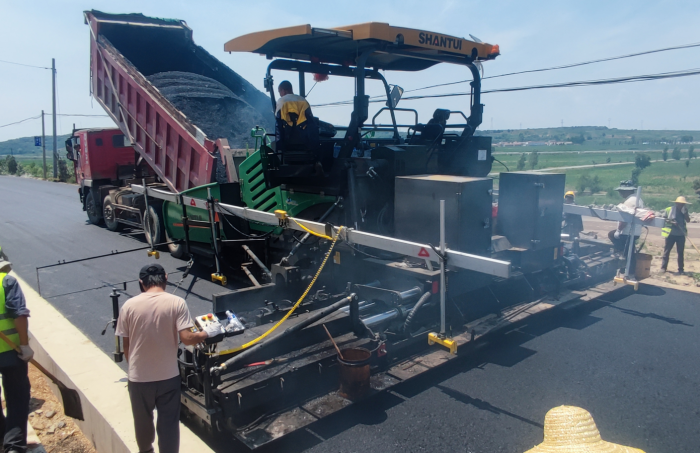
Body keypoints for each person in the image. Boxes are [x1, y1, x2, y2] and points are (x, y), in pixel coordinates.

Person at [116, 264, 218, 453]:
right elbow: (187, 338)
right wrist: (207, 333)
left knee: (142, 421)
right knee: (169, 423)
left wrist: (135, 368)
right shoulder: (177, 303)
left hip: (139, 379)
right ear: (166, 277)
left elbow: (126, 346)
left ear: (141, 282)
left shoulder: (128, 306)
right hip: (168, 377)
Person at [0, 246, 33, 453]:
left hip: (10, 351)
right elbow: (19, 315)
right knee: (17, 396)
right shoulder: (6, 282)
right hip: (11, 352)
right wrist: (24, 345)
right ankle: (13, 446)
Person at [607, 181, 644, 274]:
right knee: (629, 252)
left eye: (621, 191)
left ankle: (629, 271)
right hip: (636, 231)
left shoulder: (629, 201)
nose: (620, 193)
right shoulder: (638, 199)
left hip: (627, 231)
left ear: (626, 191)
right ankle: (626, 269)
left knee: (627, 252)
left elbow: (625, 219)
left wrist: (619, 230)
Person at [274, 81, 319, 158]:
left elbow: (278, 123)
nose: (280, 94)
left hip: (287, 143)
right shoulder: (303, 101)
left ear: (283, 91)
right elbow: (311, 122)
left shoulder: (281, 101)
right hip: (305, 143)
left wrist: (279, 146)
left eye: (279, 92)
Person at [660, 196, 692, 274]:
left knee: (680, 252)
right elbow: (663, 219)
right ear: (676, 203)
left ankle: (681, 269)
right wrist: (672, 222)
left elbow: (688, 220)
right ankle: (663, 268)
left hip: (681, 235)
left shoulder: (684, 211)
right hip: (671, 234)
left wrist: (685, 214)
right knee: (667, 251)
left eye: (682, 204)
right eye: (680, 204)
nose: (681, 205)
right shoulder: (669, 210)